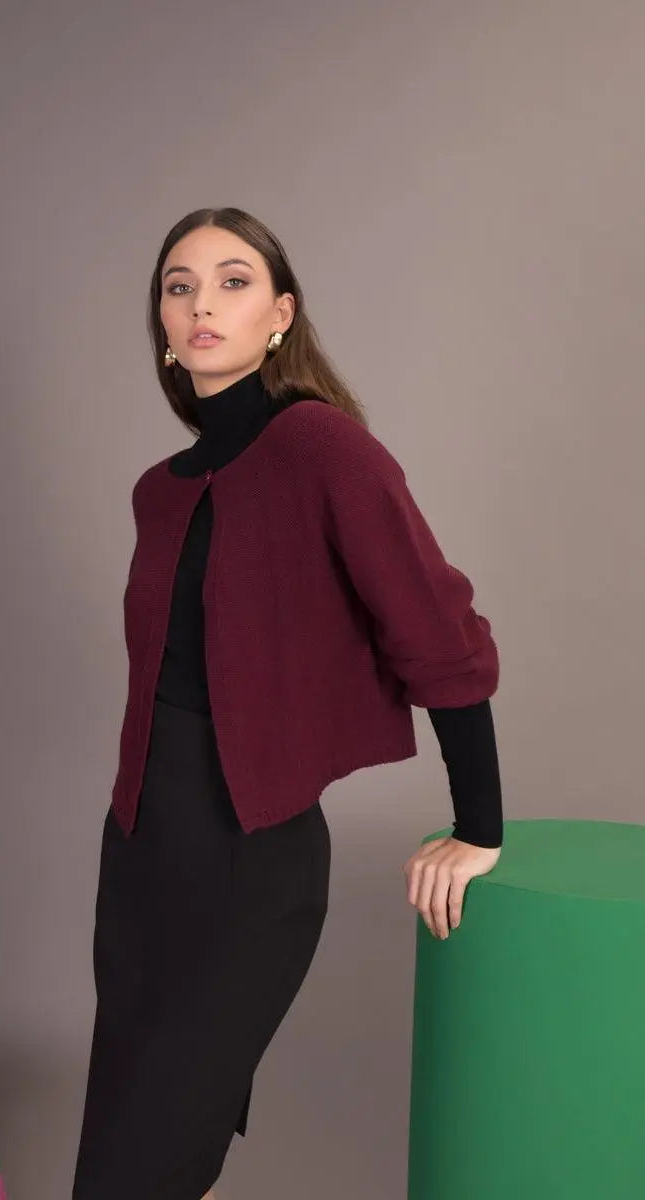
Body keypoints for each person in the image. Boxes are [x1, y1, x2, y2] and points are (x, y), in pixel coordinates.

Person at [71, 207, 504, 1200]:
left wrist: (478, 824)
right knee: (132, 1167)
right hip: (137, 869)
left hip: (248, 871)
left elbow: (435, 630)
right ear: (161, 323)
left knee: (138, 1177)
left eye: (233, 281)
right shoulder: (158, 490)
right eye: (179, 286)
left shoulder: (321, 448)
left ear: (280, 316)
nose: (202, 304)